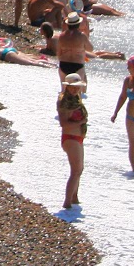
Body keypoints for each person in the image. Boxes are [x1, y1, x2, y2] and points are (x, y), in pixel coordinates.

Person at [58, 73, 87, 209]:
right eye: (73, 87)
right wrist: (82, 121)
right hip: (70, 138)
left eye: (77, 87)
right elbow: (64, 124)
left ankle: (74, 198)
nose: (75, 90)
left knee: (79, 169)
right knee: (75, 171)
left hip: (78, 138)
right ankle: (67, 202)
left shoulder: (77, 99)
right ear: (67, 87)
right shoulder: (64, 102)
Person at [55, 10, 89, 84]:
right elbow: (90, 48)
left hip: (64, 64)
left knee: (63, 91)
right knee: (78, 90)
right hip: (77, 64)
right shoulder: (82, 36)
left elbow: (58, 52)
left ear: (68, 24)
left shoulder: (62, 36)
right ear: (78, 24)